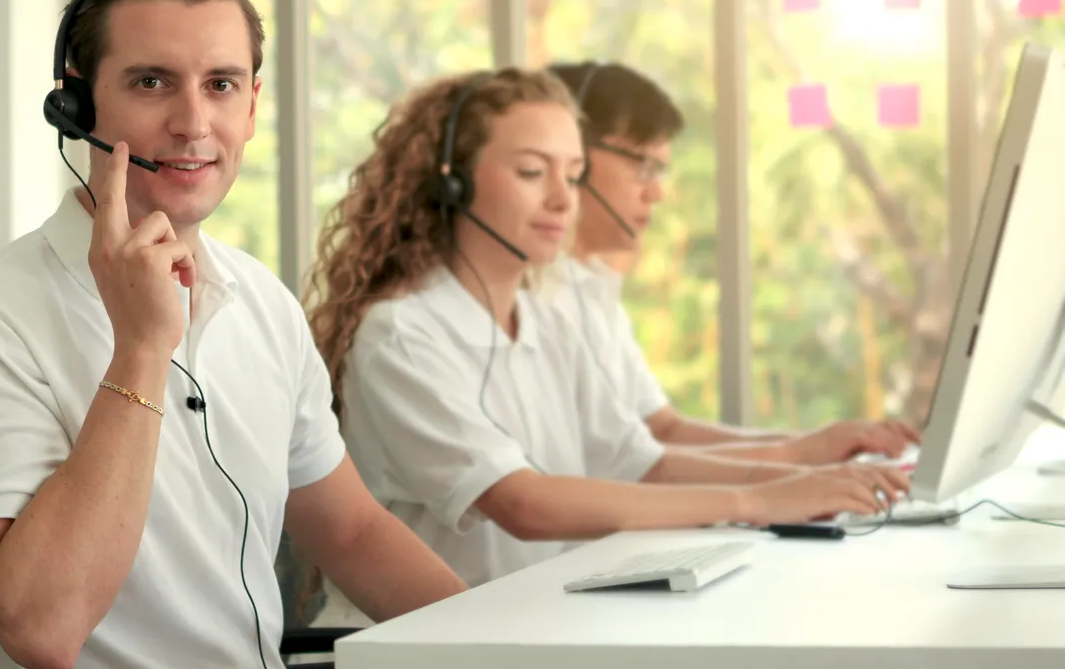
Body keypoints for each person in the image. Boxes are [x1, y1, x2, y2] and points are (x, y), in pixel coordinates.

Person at [0, 0, 465, 669]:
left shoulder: (261, 302)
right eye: (151, 82)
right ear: (74, 102)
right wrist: (141, 348)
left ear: (254, 105)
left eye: (222, 85)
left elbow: (352, 532)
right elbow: (41, 628)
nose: (194, 123)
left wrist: (515, 650)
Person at [303, 66, 910, 621]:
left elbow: (643, 460)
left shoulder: (549, 313)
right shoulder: (404, 334)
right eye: (532, 173)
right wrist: (761, 497)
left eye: (574, 175)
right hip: (435, 647)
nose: (564, 200)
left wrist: (802, 482)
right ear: (452, 183)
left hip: (543, 628)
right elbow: (524, 504)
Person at [545, 60, 922, 465]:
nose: (656, 192)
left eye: (660, 172)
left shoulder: (595, 293)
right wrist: (797, 457)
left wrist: (822, 447)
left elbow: (665, 430)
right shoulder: (536, 299)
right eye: (642, 166)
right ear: (574, 156)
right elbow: (628, 468)